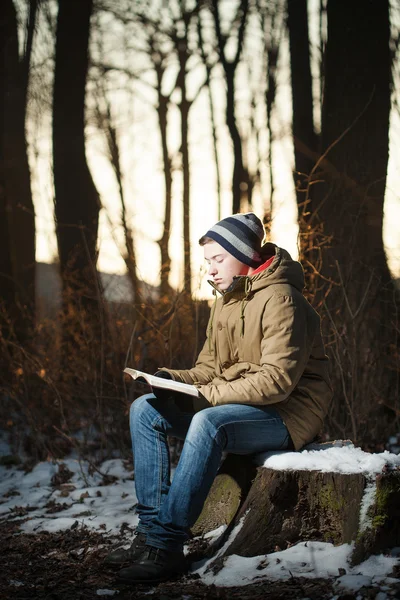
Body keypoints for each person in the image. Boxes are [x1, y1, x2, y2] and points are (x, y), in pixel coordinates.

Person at [105, 212, 333, 584]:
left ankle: (165, 547)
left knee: (208, 420)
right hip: (238, 407)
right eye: (207, 262)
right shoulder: (225, 301)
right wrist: (169, 379)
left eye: (218, 259)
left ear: (243, 254)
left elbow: (277, 381)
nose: (210, 270)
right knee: (144, 409)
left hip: (286, 415)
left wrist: (207, 396)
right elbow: (208, 368)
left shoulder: (282, 300)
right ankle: (148, 534)